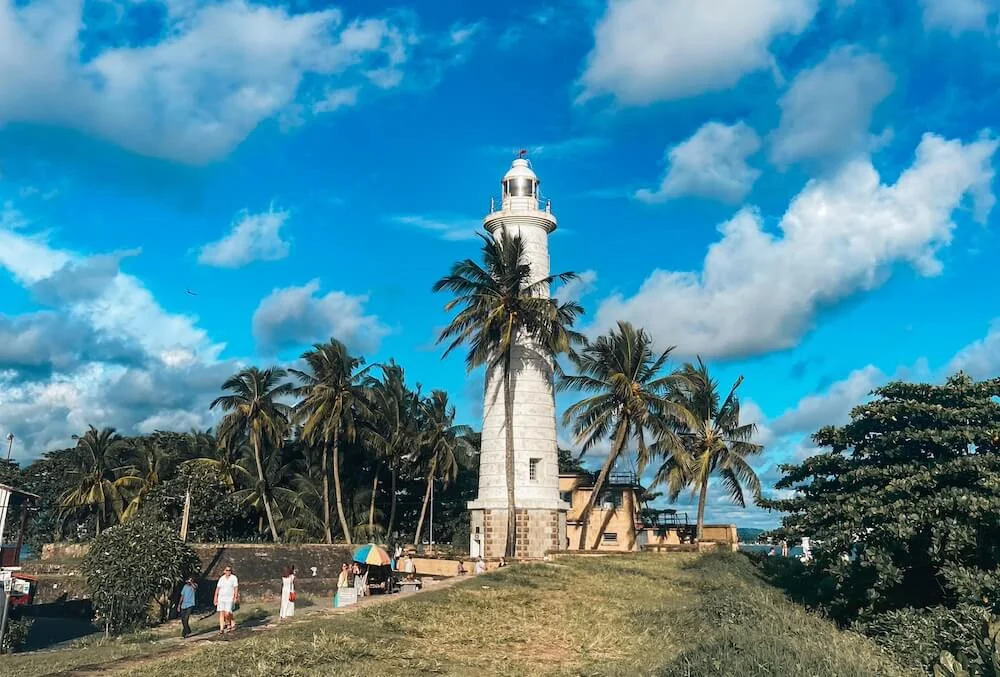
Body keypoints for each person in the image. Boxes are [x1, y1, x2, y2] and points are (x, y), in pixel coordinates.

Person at [214, 565, 239, 634]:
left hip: (229, 598)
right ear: (224, 571)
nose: (228, 572)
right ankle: (221, 628)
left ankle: (230, 622)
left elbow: (235, 588)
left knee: (227, 613)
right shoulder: (221, 579)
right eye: (227, 570)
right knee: (221, 613)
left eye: (229, 570)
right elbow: (218, 589)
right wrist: (215, 597)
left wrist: (235, 597)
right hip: (221, 598)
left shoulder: (234, 578)